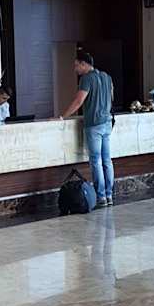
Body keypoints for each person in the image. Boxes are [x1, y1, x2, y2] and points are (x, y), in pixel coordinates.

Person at [61, 51, 114, 208]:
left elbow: (79, 101)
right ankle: (109, 195)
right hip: (107, 122)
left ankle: (101, 197)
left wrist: (62, 117)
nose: (75, 69)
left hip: (94, 124)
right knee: (107, 160)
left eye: (76, 65)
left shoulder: (86, 79)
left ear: (84, 64)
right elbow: (111, 97)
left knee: (96, 161)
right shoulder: (106, 77)